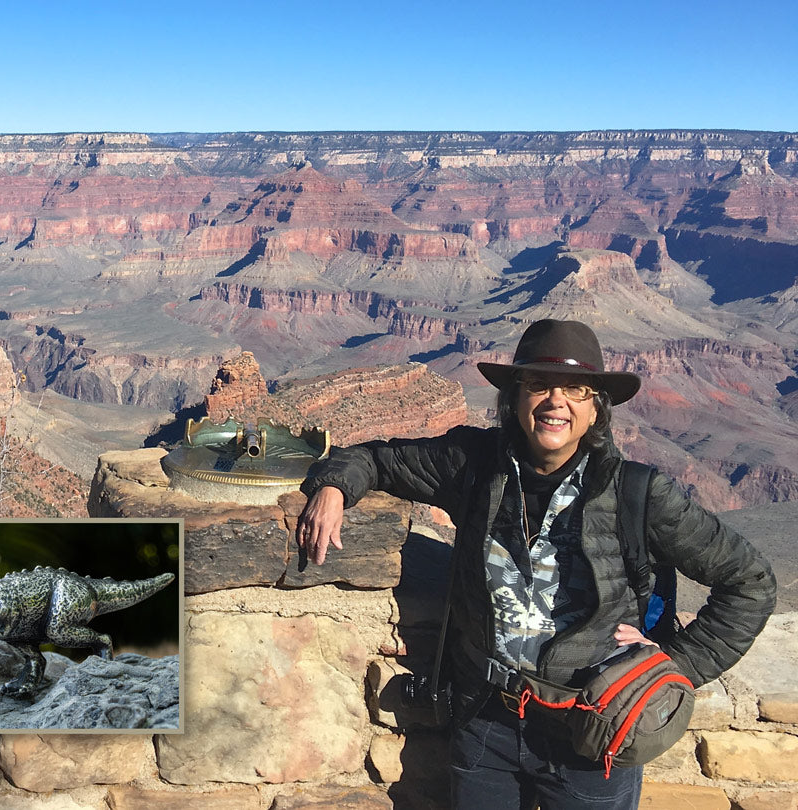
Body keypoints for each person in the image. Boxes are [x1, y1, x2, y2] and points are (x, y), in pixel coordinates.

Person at [296, 319, 775, 810]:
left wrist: (677, 665)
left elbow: (749, 582)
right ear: (514, 399)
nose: (555, 401)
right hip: (485, 721)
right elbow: (375, 458)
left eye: (575, 389)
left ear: (595, 409)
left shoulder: (638, 493)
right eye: (539, 385)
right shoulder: (474, 464)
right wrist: (334, 487)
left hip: (595, 732)